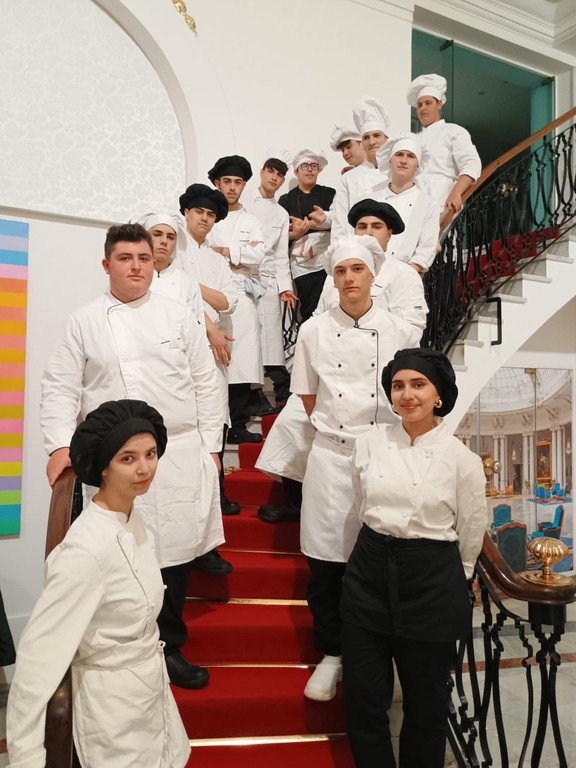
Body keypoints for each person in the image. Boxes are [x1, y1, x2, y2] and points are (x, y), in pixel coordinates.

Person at [41, 223, 227, 690]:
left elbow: (207, 381)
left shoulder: (178, 316)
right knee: (119, 553)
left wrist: (211, 446)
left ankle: (170, 647)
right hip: (113, 462)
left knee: (175, 557)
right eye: (125, 259)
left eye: (144, 258)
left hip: (177, 453)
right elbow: (61, 386)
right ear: (107, 265)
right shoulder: (84, 321)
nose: (137, 267)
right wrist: (60, 445)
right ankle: (124, 648)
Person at [7, 399, 191, 768]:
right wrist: (26, 756)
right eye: (128, 458)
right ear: (104, 467)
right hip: (110, 711)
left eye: (150, 454)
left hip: (150, 695)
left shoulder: (134, 519)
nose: (144, 468)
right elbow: (38, 660)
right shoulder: (84, 551)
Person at [341, 348, 488, 768]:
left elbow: (470, 529)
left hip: (430, 580)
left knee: (426, 706)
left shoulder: (461, 459)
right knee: (364, 699)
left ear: (438, 395)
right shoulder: (368, 445)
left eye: (418, 385)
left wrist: (456, 577)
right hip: (369, 574)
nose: (407, 395)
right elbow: (360, 505)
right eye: (398, 385)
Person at [290, 235, 417, 702]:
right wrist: (336, 432)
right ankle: (332, 653)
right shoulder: (313, 331)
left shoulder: (400, 330)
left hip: (384, 453)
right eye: (341, 270)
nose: (349, 279)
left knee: (386, 559)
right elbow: (308, 395)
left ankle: (385, 653)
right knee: (326, 563)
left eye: (357, 269)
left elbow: (410, 394)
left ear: (373, 275)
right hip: (330, 455)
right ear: (333, 278)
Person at [257, 200, 427, 525]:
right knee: (293, 421)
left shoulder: (403, 274)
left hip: (378, 372)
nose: (368, 232)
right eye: (362, 227)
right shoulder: (337, 270)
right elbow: (321, 316)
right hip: (332, 372)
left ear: (389, 233)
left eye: (376, 227)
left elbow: (411, 329)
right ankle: (297, 497)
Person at [178, 183, 242, 516]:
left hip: (214, 346)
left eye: (210, 214)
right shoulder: (175, 251)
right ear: (186, 213)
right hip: (183, 342)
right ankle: (189, 492)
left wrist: (191, 285)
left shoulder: (217, 259)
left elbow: (229, 301)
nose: (204, 218)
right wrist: (211, 329)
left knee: (215, 415)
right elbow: (175, 297)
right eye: (199, 212)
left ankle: (217, 490)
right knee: (186, 414)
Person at [207, 154, 267, 444]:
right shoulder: (209, 216)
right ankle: (216, 424)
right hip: (212, 293)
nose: (232, 187)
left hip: (242, 294)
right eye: (227, 181)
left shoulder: (251, 221)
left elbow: (258, 254)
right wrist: (239, 254)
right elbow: (204, 253)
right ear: (217, 183)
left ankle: (239, 423)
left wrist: (224, 251)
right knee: (214, 362)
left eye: (238, 182)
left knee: (242, 360)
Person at [244, 153, 296, 411]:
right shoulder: (243, 205)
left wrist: (285, 287)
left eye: (280, 175)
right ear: (262, 172)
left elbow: (280, 255)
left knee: (272, 339)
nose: (274, 178)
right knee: (248, 335)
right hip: (242, 276)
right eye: (271, 171)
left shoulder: (281, 213)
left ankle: (283, 391)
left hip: (268, 279)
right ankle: (253, 395)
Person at [408, 73, 481, 221]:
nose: (423, 108)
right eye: (419, 105)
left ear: (439, 104)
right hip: (415, 203)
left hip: (444, 201)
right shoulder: (413, 139)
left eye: (428, 103)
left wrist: (456, 192)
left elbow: (471, 164)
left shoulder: (453, 131)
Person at [278, 149, 336, 321]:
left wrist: (313, 223)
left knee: (331, 304)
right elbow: (280, 234)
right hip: (302, 264)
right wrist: (295, 232)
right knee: (310, 309)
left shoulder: (330, 194)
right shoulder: (285, 200)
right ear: (296, 171)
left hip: (326, 258)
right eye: (305, 166)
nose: (310, 170)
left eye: (314, 166)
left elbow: (340, 220)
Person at [371, 135, 440, 275]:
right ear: (389, 160)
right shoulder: (372, 199)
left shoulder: (428, 203)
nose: (403, 160)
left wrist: (409, 273)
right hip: (371, 270)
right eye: (399, 154)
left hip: (405, 272)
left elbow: (427, 246)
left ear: (418, 165)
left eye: (411, 156)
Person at [330, 96, 389, 245]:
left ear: (386, 139)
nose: (372, 141)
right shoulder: (348, 178)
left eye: (376, 135)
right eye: (366, 137)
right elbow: (339, 222)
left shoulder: (398, 173)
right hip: (356, 249)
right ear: (362, 142)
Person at [140, 210, 204, 325]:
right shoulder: (131, 275)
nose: (164, 241)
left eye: (170, 237)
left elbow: (198, 326)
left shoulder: (188, 282)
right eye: (157, 234)